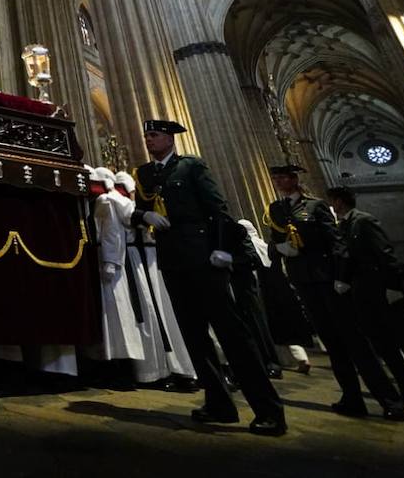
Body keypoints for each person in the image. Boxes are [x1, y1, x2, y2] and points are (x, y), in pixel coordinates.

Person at [131, 120, 285, 436]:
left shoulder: (190, 167)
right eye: (146, 136)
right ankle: (219, 404)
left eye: (155, 135)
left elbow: (217, 210)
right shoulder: (146, 174)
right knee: (194, 337)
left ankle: (269, 410)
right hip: (172, 261)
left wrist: (222, 250)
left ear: (170, 139)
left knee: (232, 334)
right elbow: (138, 210)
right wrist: (142, 215)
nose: (149, 140)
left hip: (203, 258)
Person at [266, 165, 404, 421]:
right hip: (303, 281)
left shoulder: (315, 206)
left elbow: (336, 243)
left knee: (354, 341)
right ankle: (351, 398)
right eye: (275, 178)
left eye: (282, 177)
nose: (278, 181)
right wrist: (281, 249)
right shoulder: (276, 210)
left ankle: (389, 399)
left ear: (294, 179)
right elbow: (274, 241)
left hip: (327, 280)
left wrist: (341, 277)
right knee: (332, 343)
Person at [327, 186, 404, 410]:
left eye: (332, 202)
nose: (331, 207)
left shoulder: (363, 221)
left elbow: (385, 253)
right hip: (361, 292)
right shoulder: (342, 226)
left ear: (339, 202)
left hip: (381, 288)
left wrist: (394, 286)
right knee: (384, 347)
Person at [114, 171, 194, 388]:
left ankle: (184, 368)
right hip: (138, 260)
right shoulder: (117, 201)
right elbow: (129, 214)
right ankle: (156, 371)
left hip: (157, 259)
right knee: (150, 315)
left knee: (169, 315)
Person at [87, 167, 144, 365]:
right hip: (111, 257)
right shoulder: (110, 200)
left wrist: (110, 261)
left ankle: (121, 363)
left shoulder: (107, 200)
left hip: (113, 259)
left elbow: (111, 232)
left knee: (118, 311)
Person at [233, 218, 283, 379]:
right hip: (232, 287)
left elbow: (251, 258)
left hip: (245, 285)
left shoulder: (237, 230)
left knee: (257, 324)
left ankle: (270, 361)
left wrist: (230, 262)